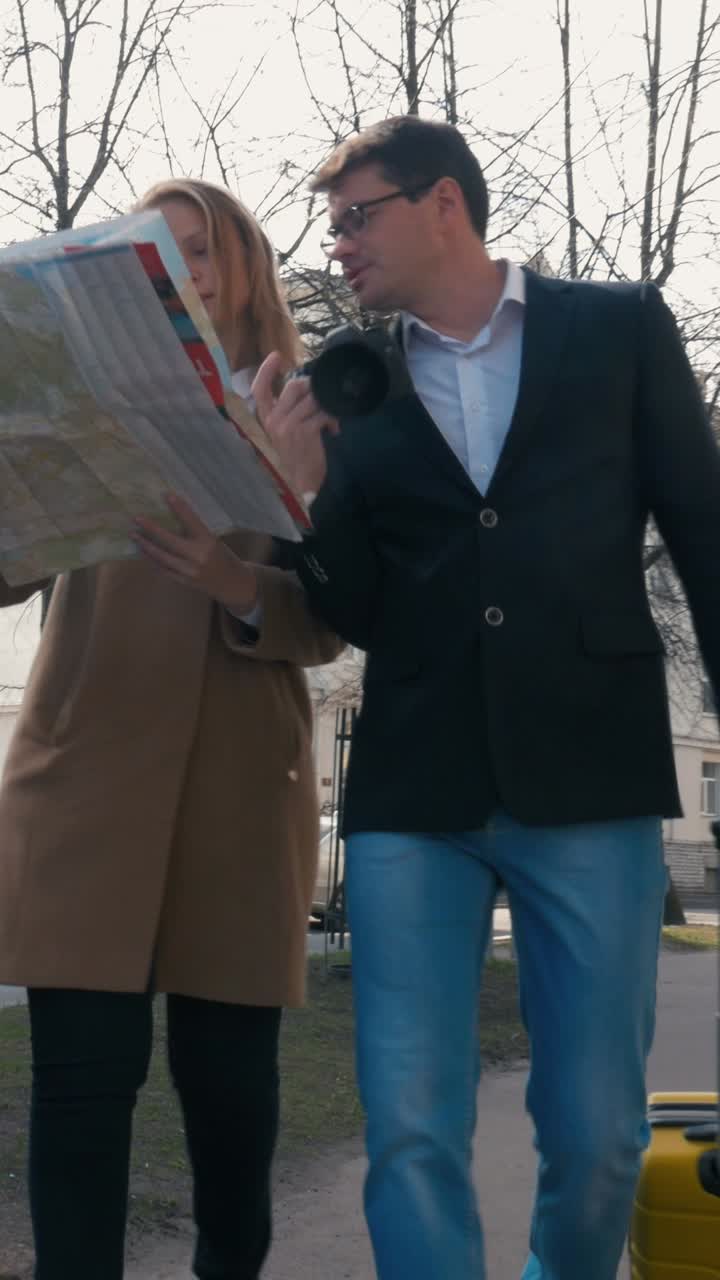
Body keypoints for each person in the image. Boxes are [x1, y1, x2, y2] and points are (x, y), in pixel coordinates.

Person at [250, 116, 720, 1280]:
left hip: (591, 771)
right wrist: (302, 496)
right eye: (333, 223)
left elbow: (704, 529)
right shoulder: (345, 380)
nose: (339, 244)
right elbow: (358, 603)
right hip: (417, 782)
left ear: (444, 202)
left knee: (601, 1134)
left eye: (359, 217)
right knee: (410, 1125)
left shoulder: (619, 327)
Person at [0, 178, 341, 1280]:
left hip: (243, 782)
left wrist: (240, 575)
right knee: (81, 1085)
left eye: (201, 249)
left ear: (243, 266)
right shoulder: (77, 396)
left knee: (231, 1092)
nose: (184, 269)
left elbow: (338, 617)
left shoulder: (316, 407)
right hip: (84, 775)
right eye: (162, 250)